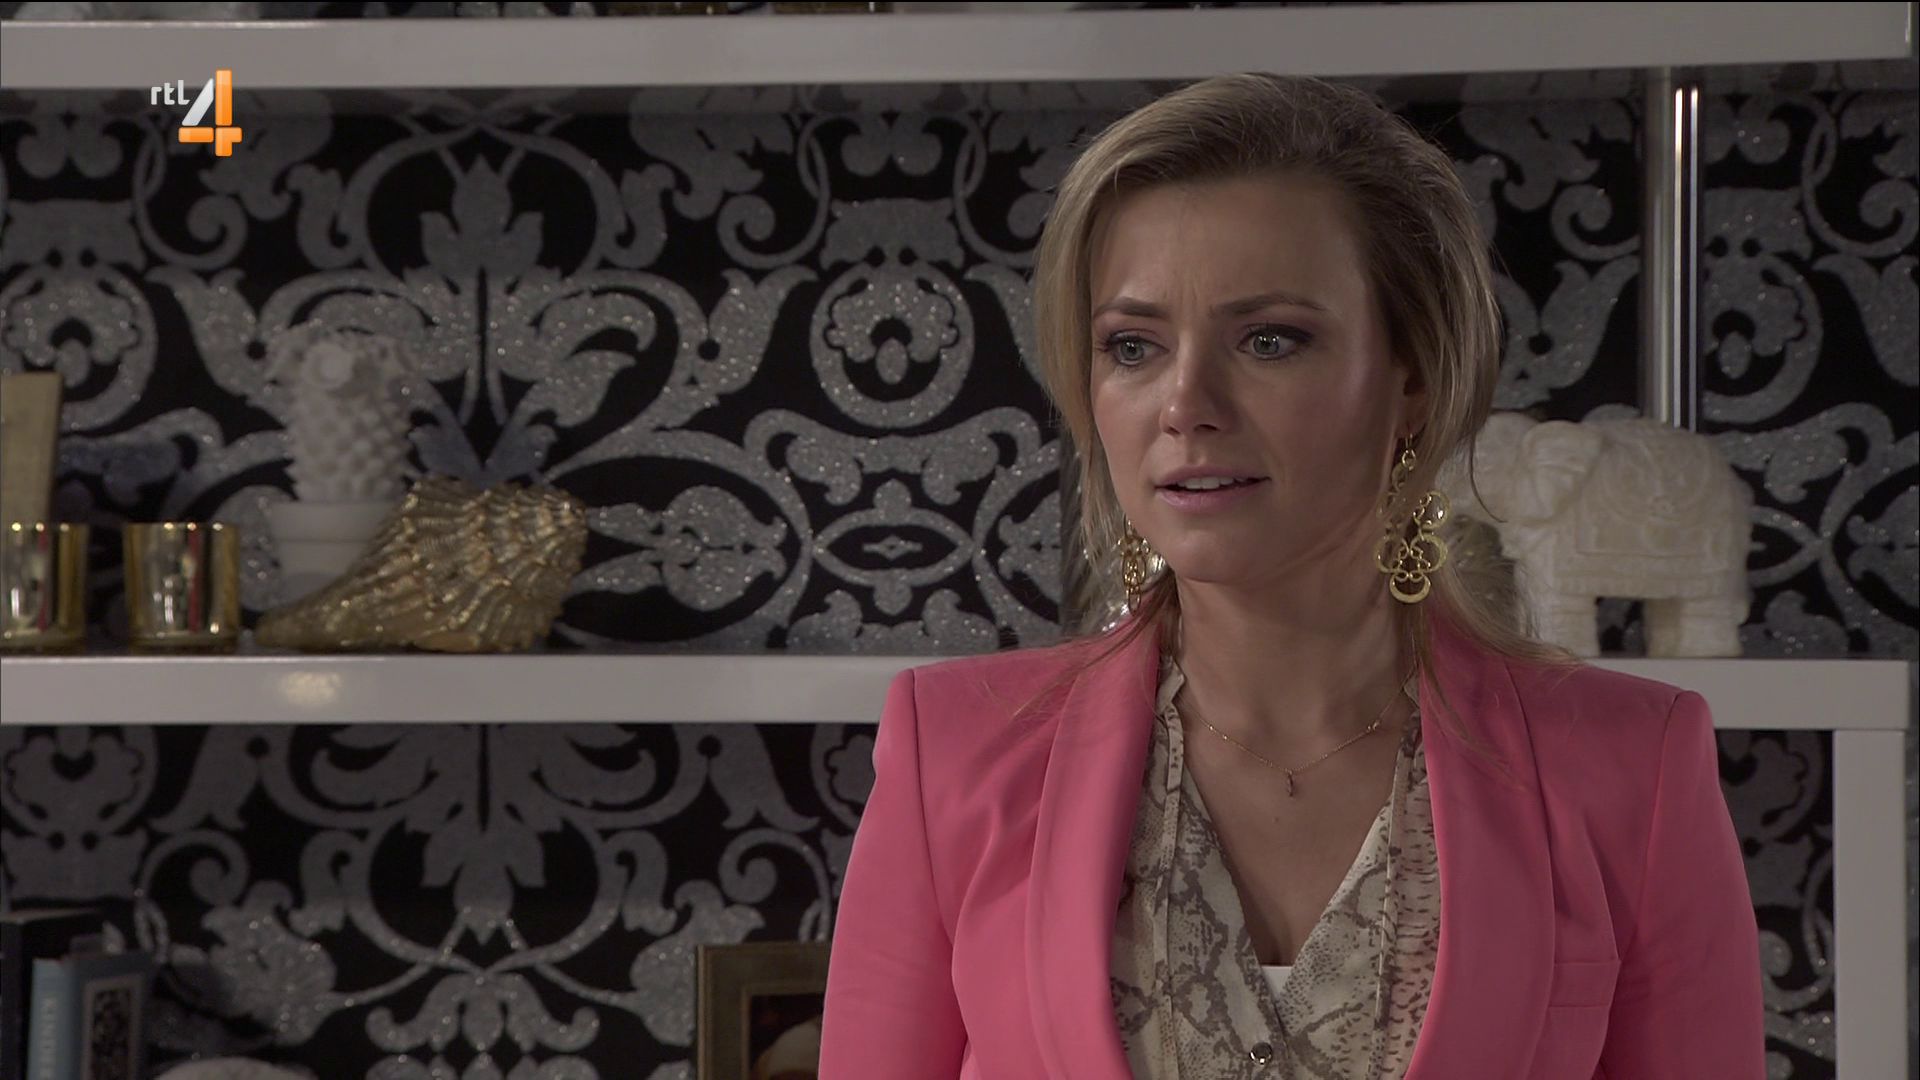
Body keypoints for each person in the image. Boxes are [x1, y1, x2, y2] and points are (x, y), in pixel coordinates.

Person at [817, 72, 1764, 1079]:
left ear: (1413, 376)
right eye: (1133, 346)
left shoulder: (1631, 769)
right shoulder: (953, 755)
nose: (1185, 403)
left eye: (1270, 340)